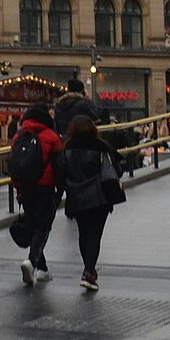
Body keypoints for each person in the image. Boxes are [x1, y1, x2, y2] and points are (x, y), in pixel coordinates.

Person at [54, 114, 126, 292]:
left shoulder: (66, 149)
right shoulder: (100, 147)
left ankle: (89, 270)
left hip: (76, 198)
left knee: (84, 235)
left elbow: (60, 175)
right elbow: (117, 170)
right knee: (95, 235)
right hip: (99, 198)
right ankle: (88, 272)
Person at [12, 101, 64, 287]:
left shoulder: (19, 136)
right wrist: (61, 189)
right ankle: (32, 262)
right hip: (45, 187)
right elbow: (59, 165)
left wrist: (18, 188)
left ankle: (42, 269)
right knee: (42, 227)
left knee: (33, 225)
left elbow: (14, 163)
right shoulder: (52, 136)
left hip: (25, 186)